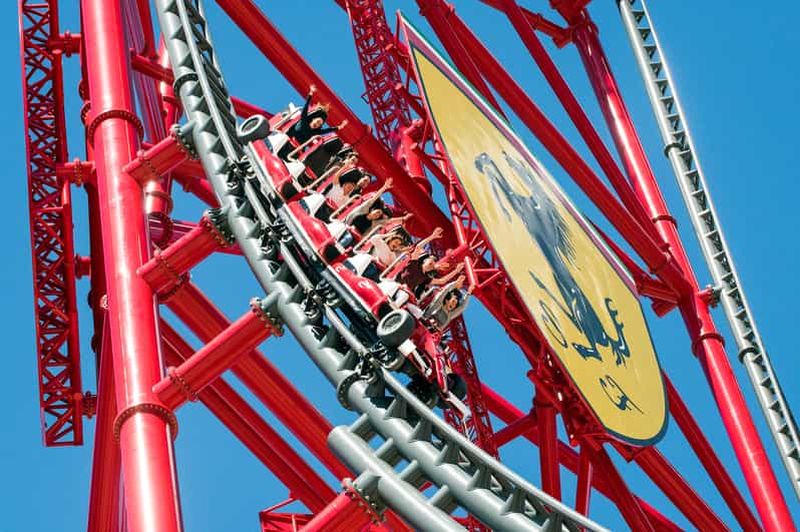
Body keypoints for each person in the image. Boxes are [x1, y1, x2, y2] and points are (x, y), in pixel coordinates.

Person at [283, 85, 347, 154]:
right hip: (286, 141)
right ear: (313, 119)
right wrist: (311, 93)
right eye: (318, 121)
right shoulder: (304, 119)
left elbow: (328, 130)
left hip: (295, 150)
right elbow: (305, 107)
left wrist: (340, 127)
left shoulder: (316, 132)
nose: (317, 124)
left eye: (319, 124)